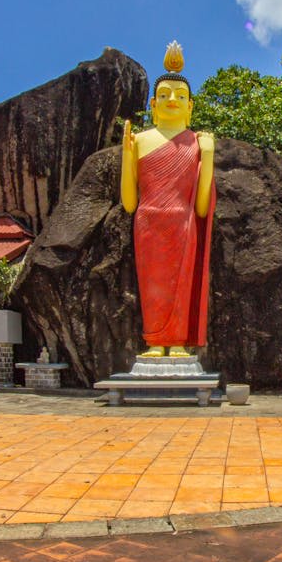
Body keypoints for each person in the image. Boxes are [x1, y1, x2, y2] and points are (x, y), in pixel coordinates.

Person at [120, 41, 216, 358]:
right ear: (152, 103)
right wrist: (126, 156)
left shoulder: (196, 142)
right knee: (153, 287)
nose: (171, 100)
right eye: (164, 95)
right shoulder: (139, 141)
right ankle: (155, 341)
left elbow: (202, 207)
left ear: (191, 106)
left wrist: (209, 156)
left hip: (183, 223)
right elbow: (129, 204)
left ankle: (176, 341)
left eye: (179, 96)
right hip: (147, 222)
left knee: (180, 285)